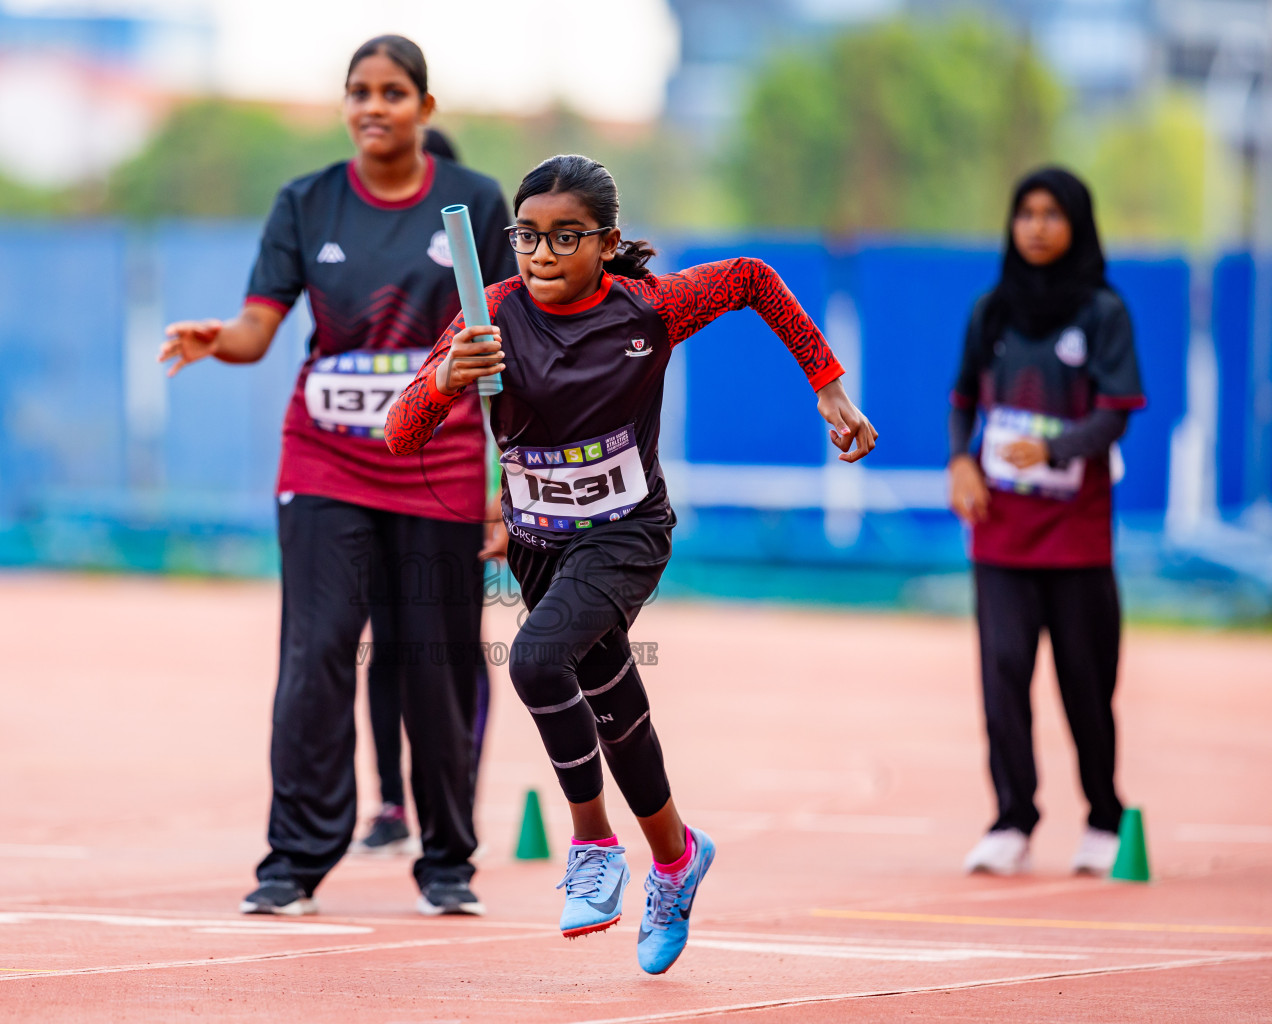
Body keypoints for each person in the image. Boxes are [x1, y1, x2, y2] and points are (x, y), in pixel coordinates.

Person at [385, 154, 876, 974]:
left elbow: (753, 278)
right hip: (538, 545)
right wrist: (443, 379)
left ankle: (595, 847)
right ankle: (679, 860)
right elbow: (402, 435)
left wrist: (826, 384)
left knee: (538, 661)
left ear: (607, 243)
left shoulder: (650, 306)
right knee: (614, 708)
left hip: (627, 533)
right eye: (527, 237)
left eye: (564, 238)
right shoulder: (490, 318)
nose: (541, 255)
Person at [159, 36, 515, 916]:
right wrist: (218, 343)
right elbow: (256, 330)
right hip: (325, 463)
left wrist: (511, 489)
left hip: (440, 469)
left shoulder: (472, 203)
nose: (373, 107)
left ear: (425, 109)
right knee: (315, 654)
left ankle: (446, 864)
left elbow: (513, 352)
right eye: (359, 91)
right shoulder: (306, 202)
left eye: (393, 93)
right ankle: (293, 861)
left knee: (435, 664)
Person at [948, 167, 1144, 878]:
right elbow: (964, 397)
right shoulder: (991, 311)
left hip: (1076, 533)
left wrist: (1056, 447)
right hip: (999, 526)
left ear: (1078, 224)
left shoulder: (1101, 312)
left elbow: (1116, 412)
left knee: (1085, 679)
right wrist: (960, 462)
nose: (1036, 226)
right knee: (1002, 672)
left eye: (1052, 214)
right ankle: (1012, 818)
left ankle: (1102, 815)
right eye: (1025, 212)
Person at [356, 125, 495, 857]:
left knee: (451, 650)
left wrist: (499, 496)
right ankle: (390, 803)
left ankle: (453, 798)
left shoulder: (475, 276)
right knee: (387, 648)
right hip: (376, 480)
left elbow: (510, 400)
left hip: (454, 487)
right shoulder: (371, 263)